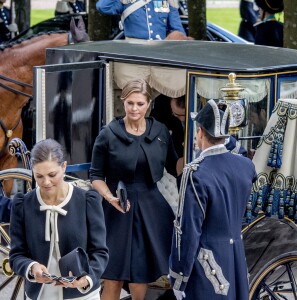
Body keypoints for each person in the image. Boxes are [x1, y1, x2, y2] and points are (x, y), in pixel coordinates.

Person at [90, 78, 179, 300]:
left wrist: (201, 149)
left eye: (140, 103)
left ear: (148, 103)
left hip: (151, 207)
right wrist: (110, 198)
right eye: (130, 103)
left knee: (141, 275)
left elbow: (174, 166)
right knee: (113, 276)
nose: (134, 109)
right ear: (123, 102)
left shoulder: (160, 131)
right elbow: (96, 176)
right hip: (116, 209)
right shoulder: (108, 134)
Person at [169, 99, 257, 300]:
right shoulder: (246, 166)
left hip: (207, 267)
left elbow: (187, 231)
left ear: (200, 132)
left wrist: (179, 277)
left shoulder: (195, 172)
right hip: (236, 262)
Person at [9, 138, 109, 300]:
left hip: (82, 295)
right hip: (41, 295)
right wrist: (31, 267)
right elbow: (16, 256)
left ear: (64, 167)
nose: (46, 182)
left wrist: (87, 278)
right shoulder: (23, 205)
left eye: (52, 175)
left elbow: (100, 252)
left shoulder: (87, 201)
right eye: (39, 176)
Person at [96, 0, 186, 40]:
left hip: (159, 55)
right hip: (134, 55)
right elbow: (102, 7)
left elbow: (178, 32)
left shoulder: (166, 1)